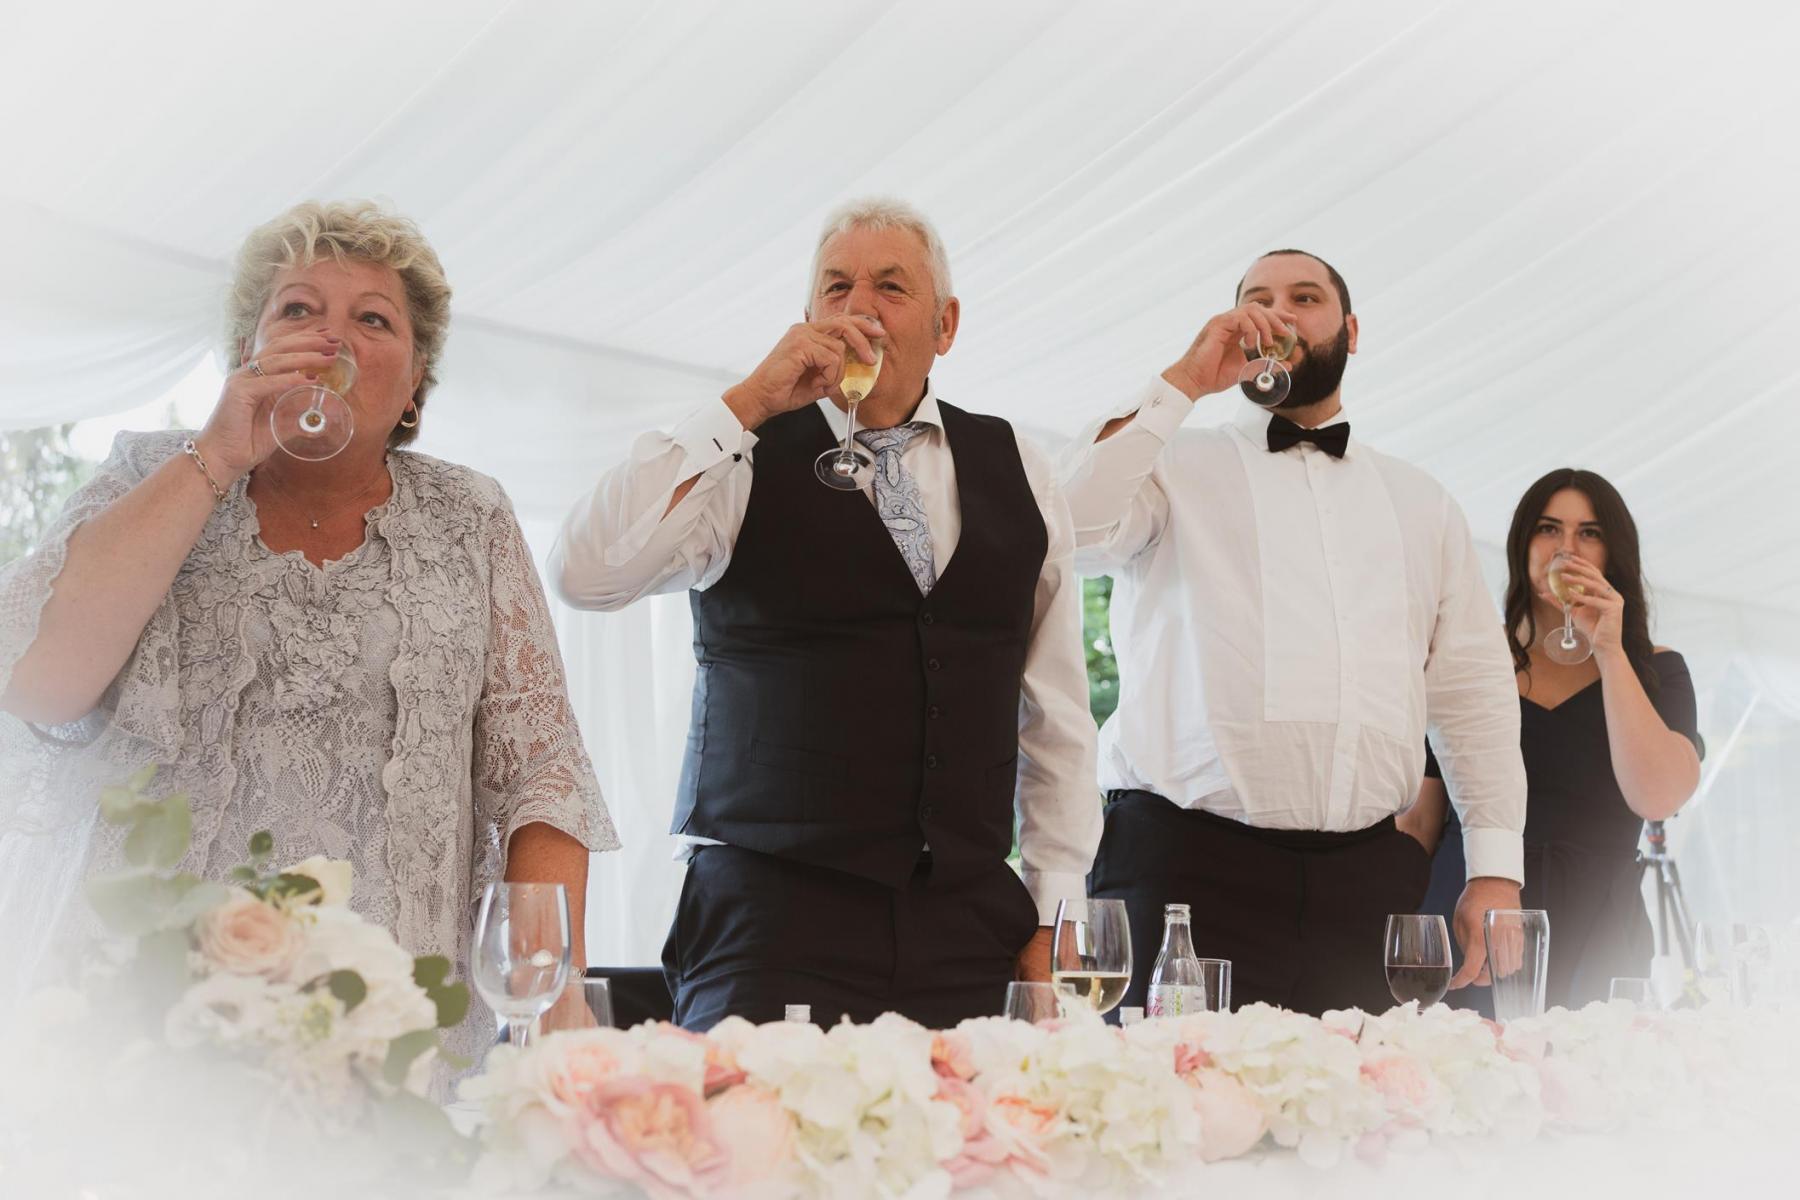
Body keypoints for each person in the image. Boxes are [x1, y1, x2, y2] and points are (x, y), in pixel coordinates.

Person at [0, 201, 617, 1058]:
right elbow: (38, 681)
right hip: (148, 1004)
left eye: (373, 319)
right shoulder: (149, 470)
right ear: (246, 352)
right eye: (298, 310)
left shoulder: (471, 516)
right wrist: (218, 455)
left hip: (389, 1019)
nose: (331, 340)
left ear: (415, 383)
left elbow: (541, 775)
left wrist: (552, 999)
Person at [552, 197, 1100, 1031]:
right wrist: (745, 404)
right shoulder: (738, 458)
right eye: (836, 287)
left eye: (890, 287)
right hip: (770, 917)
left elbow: (1056, 714)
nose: (859, 310)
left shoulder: (1022, 466)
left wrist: (1056, 914)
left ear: (946, 325)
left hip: (966, 918)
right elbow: (587, 573)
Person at [1061, 249, 1526, 1016]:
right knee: (1170, 1092)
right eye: (1258, 298)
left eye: (1304, 297)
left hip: (1368, 882)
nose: (1277, 313)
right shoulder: (1171, 465)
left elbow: (1472, 694)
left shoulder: (1423, 502)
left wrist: (1495, 867)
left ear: (1351, 331)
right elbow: (1069, 527)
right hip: (1183, 871)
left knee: (1373, 1094)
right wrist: (1185, 381)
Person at [1402, 469, 1701, 1010]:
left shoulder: (1658, 670)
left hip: (1599, 928)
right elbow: (1420, 819)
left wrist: (1609, 650)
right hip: (1471, 912)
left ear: (1615, 552)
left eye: (1589, 532)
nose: (1566, 549)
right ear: (1522, 544)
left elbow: (1657, 798)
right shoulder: (1470, 659)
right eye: (1548, 529)